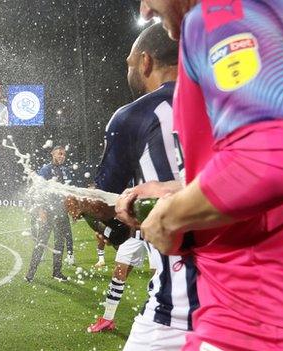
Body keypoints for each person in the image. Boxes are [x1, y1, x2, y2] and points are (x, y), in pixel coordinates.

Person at [115, 1, 283, 350]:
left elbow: (272, 157)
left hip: (258, 318)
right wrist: (176, 190)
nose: (146, 10)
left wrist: (171, 217)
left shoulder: (220, 14)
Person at [70, 25, 199, 351]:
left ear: (144, 62)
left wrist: (85, 205)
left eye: (128, 62)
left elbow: (107, 210)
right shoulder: (228, 102)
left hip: (179, 308)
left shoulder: (133, 116)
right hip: (252, 300)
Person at [25, 145, 74, 283]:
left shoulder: (66, 171)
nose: (62, 156)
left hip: (62, 213)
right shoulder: (46, 170)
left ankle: (57, 273)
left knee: (59, 243)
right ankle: (30, 274)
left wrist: (71, 209)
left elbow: (69, 193)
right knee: (41, 242)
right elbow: (39, 190)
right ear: (52, 154)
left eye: (64, 154)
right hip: (48, 211)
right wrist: (41, 209)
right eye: (59, 154)